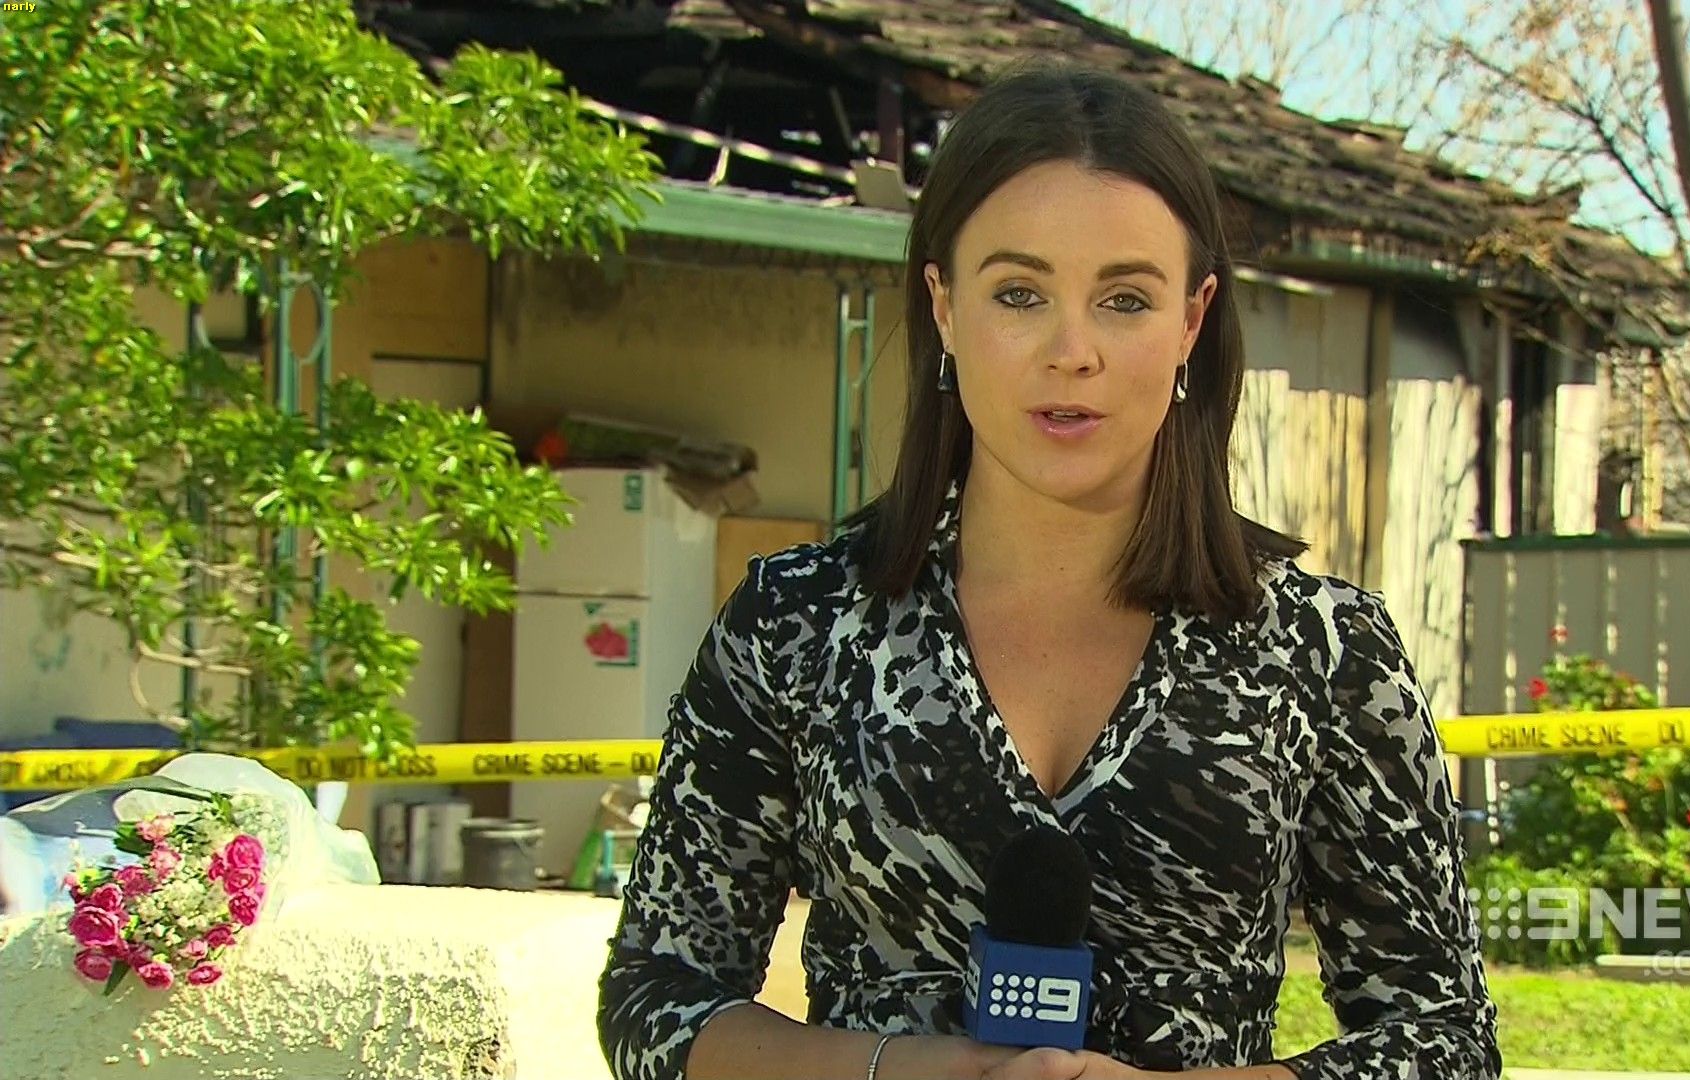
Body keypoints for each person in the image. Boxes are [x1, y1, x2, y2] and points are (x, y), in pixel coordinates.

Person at [599, 64, 1500, 1080]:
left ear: (1192, 322)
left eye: (1125, 299)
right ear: (943, 305)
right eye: (1020, 294)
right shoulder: (796, 626)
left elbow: (1446, 1039)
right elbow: (654, 1001)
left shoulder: (1323, 651)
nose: (1072, 352)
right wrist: (917, 1071)